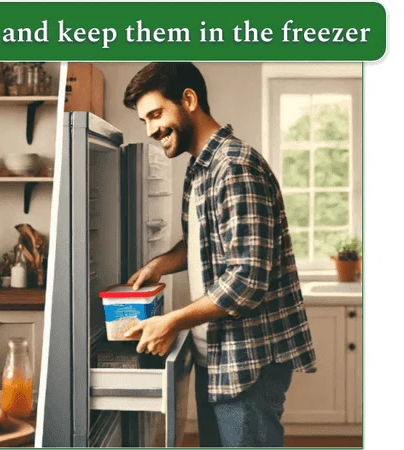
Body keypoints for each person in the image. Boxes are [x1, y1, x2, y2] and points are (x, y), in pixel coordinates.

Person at [121, 63, 316, 447]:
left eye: (156, 114)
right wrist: (159, 265)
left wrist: (171, 321)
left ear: (189, 99)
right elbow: (203, 244)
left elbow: (247, 279)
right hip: (216, 355)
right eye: (144, 120)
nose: (150, 130)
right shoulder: (199, 169)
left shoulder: (235, 166)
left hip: (248, 361)